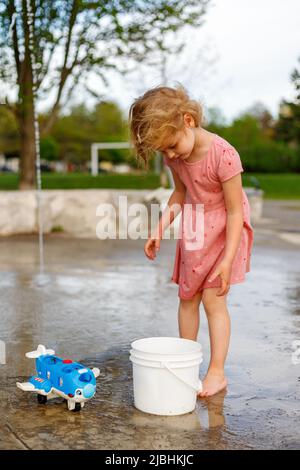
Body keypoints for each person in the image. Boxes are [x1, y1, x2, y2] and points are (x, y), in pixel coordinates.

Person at [128, 84, 254, 398]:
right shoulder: (175, 156)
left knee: (213, 300)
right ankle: (187, 363)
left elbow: (236, 211)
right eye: (163, 152)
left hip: (226, 229)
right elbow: (180, 194)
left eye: (171, 146)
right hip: (196, 230)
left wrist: (227, 260)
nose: (170, 156)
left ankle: (216, 371)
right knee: (187, 298)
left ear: (188, 120)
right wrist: (159, 228)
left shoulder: (223, 154)